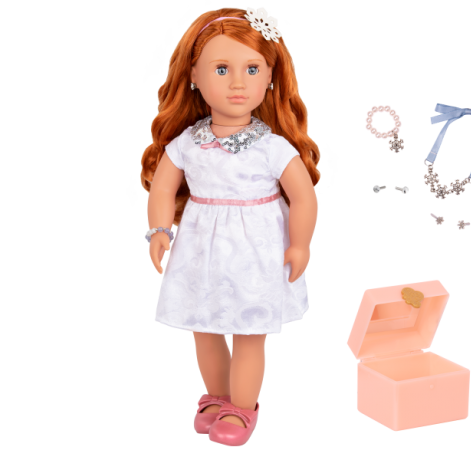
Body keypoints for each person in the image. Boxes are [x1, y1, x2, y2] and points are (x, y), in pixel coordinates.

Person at [140, 7, 319, 446]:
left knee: (249, 334)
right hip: (200, 252)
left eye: (252, 69)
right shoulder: (187, 143)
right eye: (222, 69)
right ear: (194, 76)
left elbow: (303, 197)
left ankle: (242, 406)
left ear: (270, 76)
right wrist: (159, 230)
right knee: (203, 328)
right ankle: (218, 396)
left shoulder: (273, 147)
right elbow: (163, 188)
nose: (238, 82)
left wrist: (300, 244)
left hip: (256, 256)